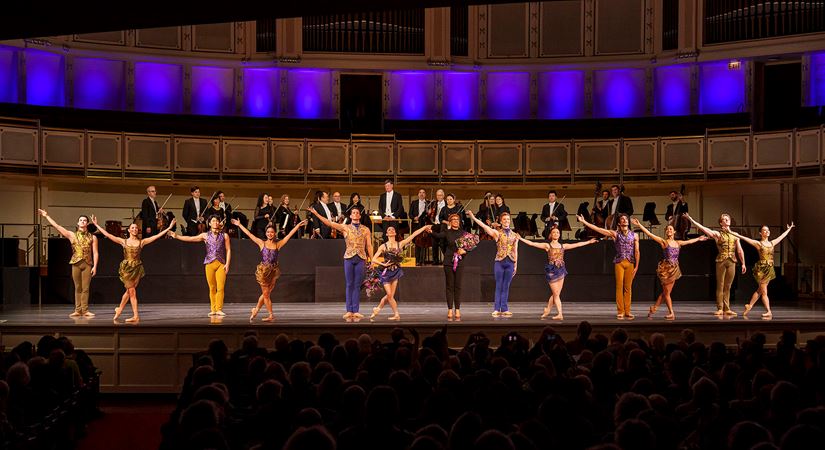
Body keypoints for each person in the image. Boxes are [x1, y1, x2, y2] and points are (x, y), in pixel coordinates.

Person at [91, 215, 176, 323]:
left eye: (136, 228)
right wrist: (96, 225)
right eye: (132, 228)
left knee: (128, 291)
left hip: (137, 269)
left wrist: (169, 228)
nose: (135, 229)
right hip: (127, 269)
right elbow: (108, 234)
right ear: (129, 230)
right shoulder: (123, 241)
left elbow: (157, 236)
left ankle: (119, 309)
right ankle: (136, 315)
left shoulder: (142, 242)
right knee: (132, 292)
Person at [232, 217, 308, 321]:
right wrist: (239, 225)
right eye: (268, 232)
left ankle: (256, 310)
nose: (270, 234)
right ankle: (271, 315)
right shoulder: (261, 243)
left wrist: (298, 226)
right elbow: (250, 235)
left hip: (273, 272)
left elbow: (289, 235)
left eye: (272, 232)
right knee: (266, 294)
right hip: (263, 272)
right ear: (266, 233)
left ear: (275, 233)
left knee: (265, 294)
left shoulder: (278, 244)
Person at [632, 218, 707, 320]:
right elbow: (650, 234)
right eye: (667, 230)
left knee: (665, 292)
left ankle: (654, 308)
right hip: (666, 270)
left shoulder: (678, 243)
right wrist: (640, 225)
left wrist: (698, 239)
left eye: (671, 229)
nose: (669, 231)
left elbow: (689, 242)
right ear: (665, 232)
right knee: (667, 293)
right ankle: (671, 312)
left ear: (674, 232)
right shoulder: (664, 242)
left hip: (674, 269)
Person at [308, 206, 373, 320]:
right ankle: (349, 310)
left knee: (357, 285)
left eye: (357, 213)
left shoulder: (366, 229)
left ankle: (356, 310)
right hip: (349, 258)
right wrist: (316, 214)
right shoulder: (345, 227)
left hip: (361, 258)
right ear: (351, 216)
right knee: (349, 284)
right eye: (353, 213)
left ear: (360, 215)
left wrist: (372, 260)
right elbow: (329, 223)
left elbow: (369, 245)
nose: (355, 214)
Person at [516, 229, 597, 320]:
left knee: (556, 293)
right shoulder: (547, 246)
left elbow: (577, 244)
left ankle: (547, 310)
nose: (556, 234)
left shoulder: (563, 246)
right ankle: (560, 314)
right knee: (556, 294)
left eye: (558, 232)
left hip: (561, 270)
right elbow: (532, 244)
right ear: (551, 234)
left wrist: (589, 242)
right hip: (552, 270)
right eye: (554, 232)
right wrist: (521, 239)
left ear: (559, 235)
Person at [577, 213, 640, 320]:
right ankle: (621, 311)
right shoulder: (615, 234)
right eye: (622, 219)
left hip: (630, 262)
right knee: (619, 286)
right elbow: (598, 229)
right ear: (619, 223)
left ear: (628, 222)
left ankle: (628, 311)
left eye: (626, 219)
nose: (624, 220)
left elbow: (637, 251)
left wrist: (637, 266)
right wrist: (584, 222)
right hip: (619, 262)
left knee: (628, 288)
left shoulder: (635, 235)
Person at [38, 209, 99, 318]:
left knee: (85, 288)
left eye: (85, 220)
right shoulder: (72, 235)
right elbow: (57, 226)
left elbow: (95, 252)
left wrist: (95, 266)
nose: (82, 222)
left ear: (87, 223)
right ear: (77, 223)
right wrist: (46, 216)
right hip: (76, 263)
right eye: (81, 220)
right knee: (77, 287)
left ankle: (85, 310)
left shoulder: (92, 237)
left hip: (87, 264)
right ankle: (77, 310)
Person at [168, 215, 232, 317]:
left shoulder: (224, 236)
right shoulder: (205, 235)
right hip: (209, 264)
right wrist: (176, 236)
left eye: (217, 221)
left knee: (220, 287)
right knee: (212, 287)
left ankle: (219, 309)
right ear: (210, 223)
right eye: (213, 221)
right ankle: (213, 309)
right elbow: (190, 238)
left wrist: (227, 263)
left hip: (221, 264)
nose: (215, 222)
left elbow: (228, 250)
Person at [728, 223, 795, 318]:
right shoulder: (758, 244)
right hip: (762, 269)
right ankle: (768, 311)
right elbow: (744, 238)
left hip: (769, 268)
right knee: (764, 291)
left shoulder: (772, 243)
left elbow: (782, 236)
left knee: (760, 290)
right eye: (764, 230)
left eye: (768, 230)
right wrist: (731, 233)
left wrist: (789, 229)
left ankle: (749, 305)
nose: (767, 231)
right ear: (760, 233)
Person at [686, 213, 746, 316]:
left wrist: (743, 263)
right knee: (720, 285)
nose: (727, 220)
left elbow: (740, 250)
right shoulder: (717, 234)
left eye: (728, 219)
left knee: (728, 286)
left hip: (732, 261)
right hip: (721, 261)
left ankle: (727, 309)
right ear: (721, 223)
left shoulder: (735, 235)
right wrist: (691, 219)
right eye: (724, 219)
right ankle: (720, 308)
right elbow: (703, 228)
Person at [370, 224, 432, 321]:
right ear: (386, 234)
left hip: (396, 271)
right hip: (386, 272)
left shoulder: (400, 244)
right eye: (389, 229)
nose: (391, 230)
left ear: (395, 233)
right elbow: (373, 259)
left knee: (390, 296)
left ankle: (378, 309)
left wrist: (424, 228)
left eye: (392, 229)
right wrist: (384, 264)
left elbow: (414, 234)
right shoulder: (383, 246)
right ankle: (395, 314)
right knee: (389, 294)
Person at [468, 209, 519, 317]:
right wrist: (473, 218)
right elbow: (484, 226)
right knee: (499, 285)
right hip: (499, 262)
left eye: (508, 219)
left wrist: (516, 264)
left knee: (506, 286)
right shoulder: (497, 233)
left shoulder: (515, 235)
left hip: (510, 262)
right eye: (504, 219)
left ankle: (504, 308)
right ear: (501, 221)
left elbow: (515, 250)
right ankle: (496, 308)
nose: (506, 221)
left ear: (510, 221)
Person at [429, 214, 467, 321]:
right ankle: (450, 308)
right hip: (448, 261)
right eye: (453, 220)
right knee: (450, 286)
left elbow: (469, 246)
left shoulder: (463, 233)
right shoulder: (447, 232)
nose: (455, 221)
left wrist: (464, 251)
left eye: (457, 219)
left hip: (460, 261)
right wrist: (430, 231)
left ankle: (458, 309)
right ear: (450, 222)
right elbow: (437, 236)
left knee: (458, 286)